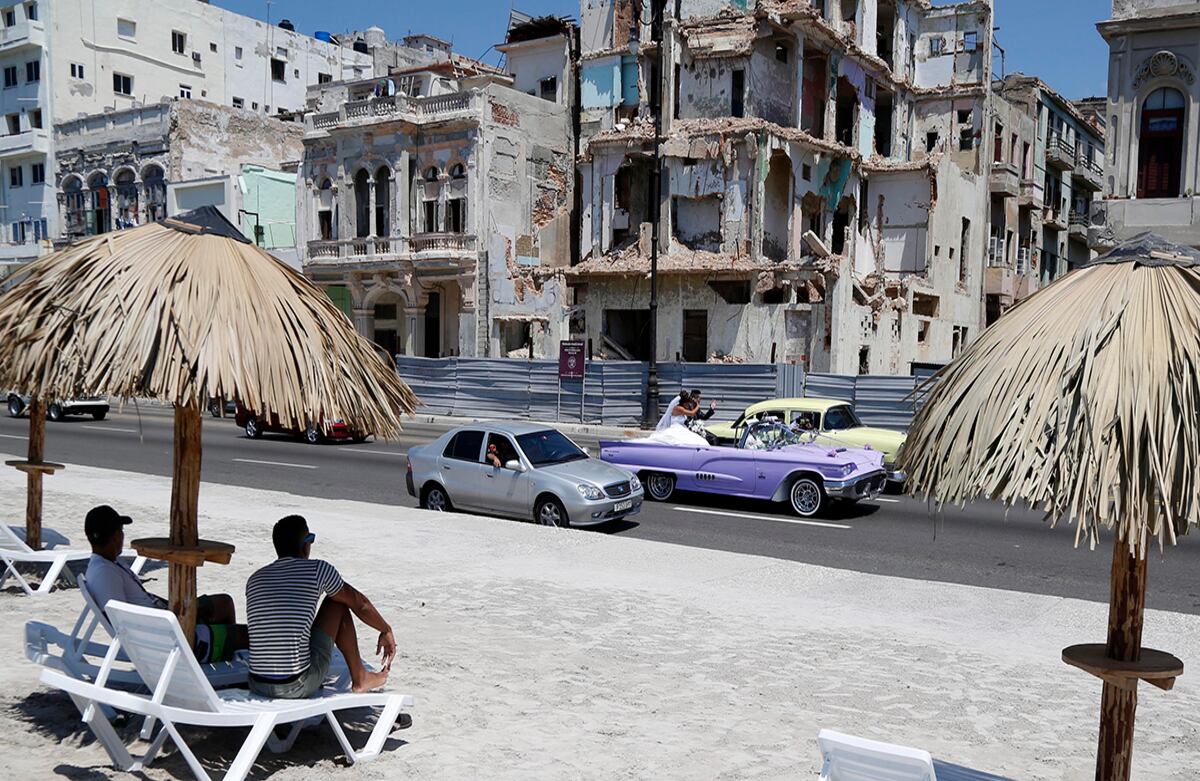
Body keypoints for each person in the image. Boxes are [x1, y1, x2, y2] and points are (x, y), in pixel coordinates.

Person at [246, 515, 395, 698]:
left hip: (257, 683)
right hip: (296, 684)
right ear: (305, 544)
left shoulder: (255, 579)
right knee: (337, 602)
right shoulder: (318, 570)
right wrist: (385, 629)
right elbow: (359, 603)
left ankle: (360, 676)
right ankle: (360, 677)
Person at [83, 504, 246, 663]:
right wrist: (175, 616)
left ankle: (225, 650)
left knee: (223, 602)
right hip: (167, 639)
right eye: (121, 531)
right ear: (115, 536)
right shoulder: (104, 574)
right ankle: (224, 649)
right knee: (244, 634)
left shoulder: (108, 563)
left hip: (164, 620)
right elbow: (124, 620)